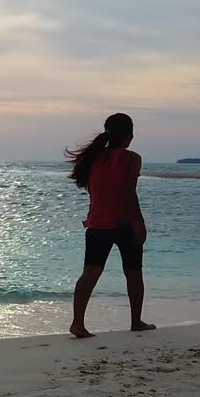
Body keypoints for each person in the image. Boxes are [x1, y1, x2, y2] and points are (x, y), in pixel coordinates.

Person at [65, 113, 154, 338]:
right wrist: (139, 222)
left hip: (97, 221)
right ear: (129, 136)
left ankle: (77, 323)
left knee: (90, 272)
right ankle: (136, 321)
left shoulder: (93, 158)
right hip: (124, 222)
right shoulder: (131, 158)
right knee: (133, 272)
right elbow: (129, 192)